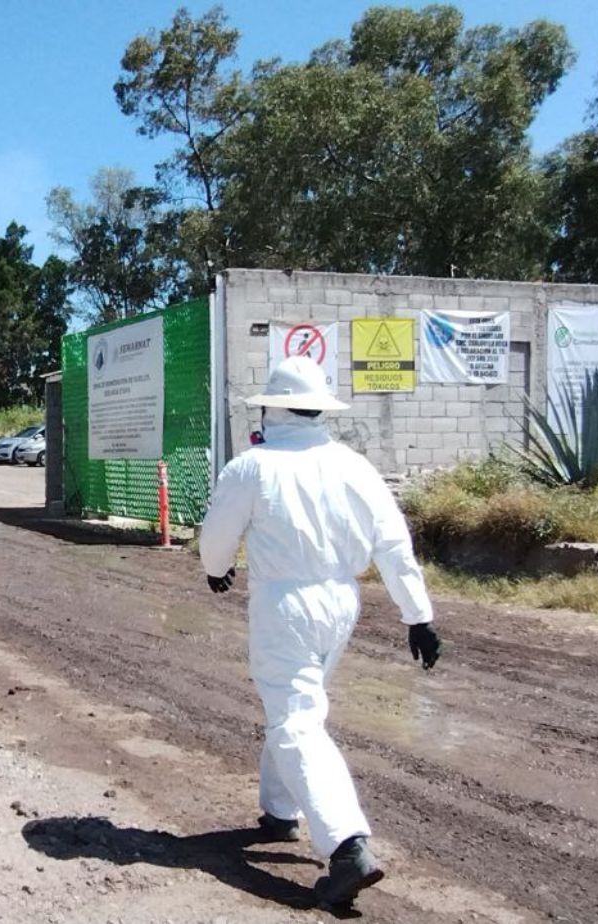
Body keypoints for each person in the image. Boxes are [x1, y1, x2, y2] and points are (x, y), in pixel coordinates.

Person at [199, 355, 442, 909]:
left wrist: (216, 569)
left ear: (273, 407)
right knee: (295, 705)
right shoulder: (356, 467)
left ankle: (347, 846)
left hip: (283, 602)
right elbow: (394, 547)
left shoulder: (252, 467)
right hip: (341, 602)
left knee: (295, 719)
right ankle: (279, 812)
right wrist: (418, 615)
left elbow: (216, 539)